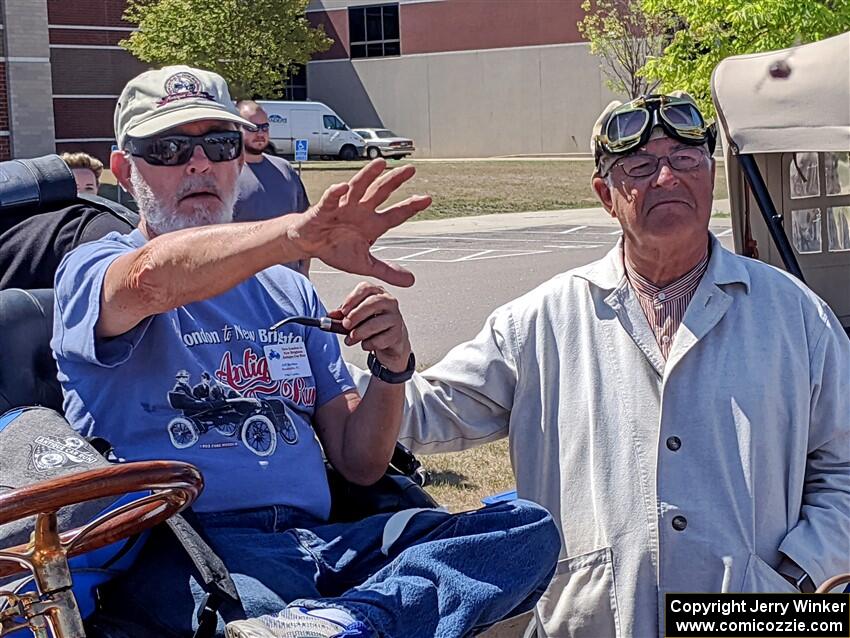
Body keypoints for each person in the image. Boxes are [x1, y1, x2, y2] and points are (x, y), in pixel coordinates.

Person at [51, 65, 560, 638]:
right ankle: (350, 620)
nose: (198, 164)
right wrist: (292, 235)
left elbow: (360, 462)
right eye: (167, 148)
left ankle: (345, 622)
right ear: (124, 170)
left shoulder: (288, 288)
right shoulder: (93, 270)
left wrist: (391, 367)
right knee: (257, 613)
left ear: (240, 160)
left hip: (323, 543)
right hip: (195, 552)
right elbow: (152, 279)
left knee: (525, 529)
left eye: (218, 144)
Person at [392, 93, 850, 637]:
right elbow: (419, 412)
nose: (666, 178)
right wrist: (342, 365)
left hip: (759, 620)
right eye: (639, 167)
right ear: (606, 195)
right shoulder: (540, 320)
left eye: (685, 160)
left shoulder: (793, 314)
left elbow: (842, 467)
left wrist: (799, 578)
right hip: (591, 622)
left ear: (710, 178)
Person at [235, 100, 311, 276]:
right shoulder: (225, 175)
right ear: (235, 128)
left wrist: (304, 272)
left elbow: (305, 224)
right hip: (245, 286)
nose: (260, 133)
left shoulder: (285, 169)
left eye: (264, 127)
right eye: (252, 127)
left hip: (290, 283)